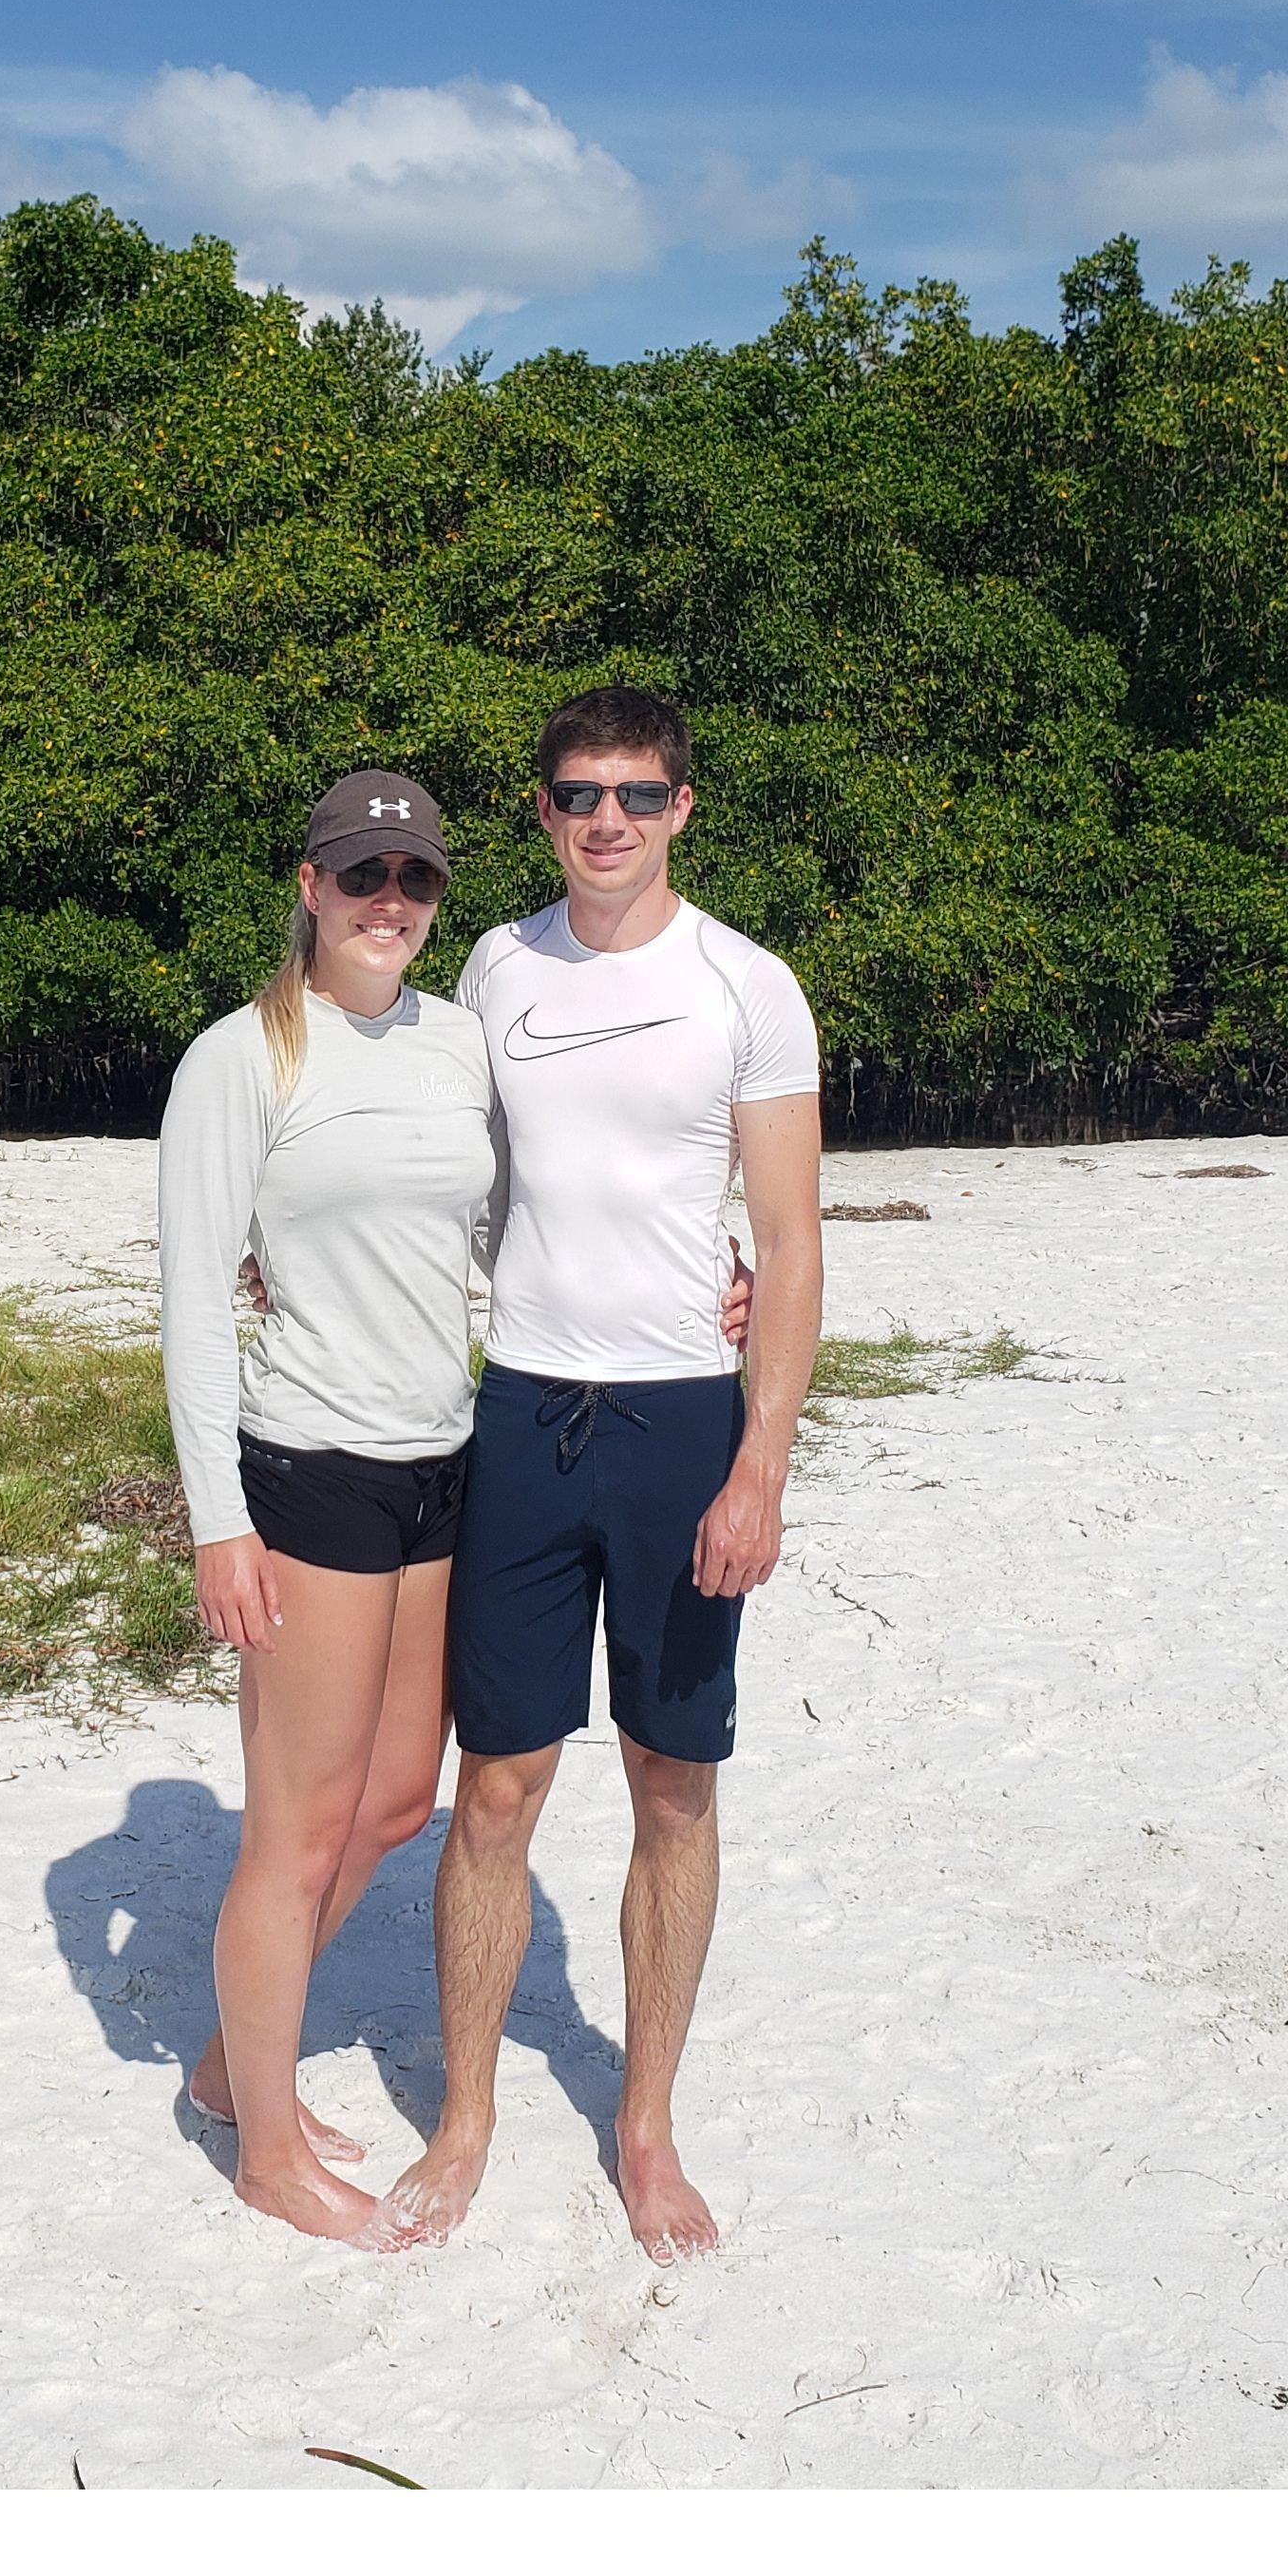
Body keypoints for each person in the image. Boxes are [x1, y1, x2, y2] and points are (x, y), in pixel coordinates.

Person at [373, 684, 824, 2265]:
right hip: (522, 1416)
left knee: (672, 1781)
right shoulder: (497, 966)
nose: (608, 821)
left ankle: (645, 2127)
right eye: (579, 795)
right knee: (493, 1787)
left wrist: (760, 1463)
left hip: (683, 1426)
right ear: (546, 811)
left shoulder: (748, 990)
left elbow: (786, 1241)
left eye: (638, 794)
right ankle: (469, 2118)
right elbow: (407, 1136)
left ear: (684, 807)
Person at [155, 769, 491, 2242]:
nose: (389, 905)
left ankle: (237, 2064)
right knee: (295, 1830)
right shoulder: (243, 1058)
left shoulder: (462, 1046)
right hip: (311, 1474)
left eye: (413, 880)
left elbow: (505, 1235)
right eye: (362, 877)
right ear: (308, 886)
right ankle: (265, 2151)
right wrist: (217, 1521)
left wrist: (710, 1281)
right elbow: (188, 1304)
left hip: (446, 1464)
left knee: (400, 1800)